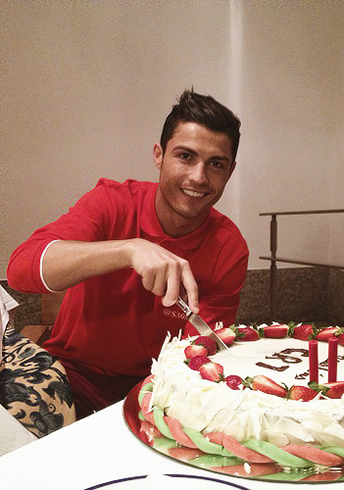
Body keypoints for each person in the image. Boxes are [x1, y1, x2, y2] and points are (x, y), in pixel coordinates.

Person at [7, 89, 249, 419]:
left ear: (230, 171)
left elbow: (202, 350)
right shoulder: (112, 202)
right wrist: (129, 248)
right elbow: (22, 269)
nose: (198, 177)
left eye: (216, 164)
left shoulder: (229, 247)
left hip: (160, 387)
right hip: (75, 377)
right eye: (185, 156)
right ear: (159, 155)